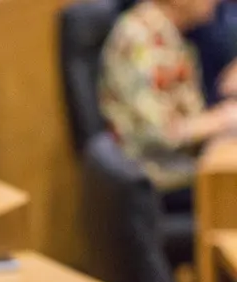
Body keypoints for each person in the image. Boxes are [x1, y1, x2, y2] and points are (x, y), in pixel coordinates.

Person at [99, 0, 237, 209]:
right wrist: (223, 119)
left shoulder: (169, 33)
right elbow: (161, 132)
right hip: (160, 173)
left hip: (184, 162)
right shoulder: (142, 38)